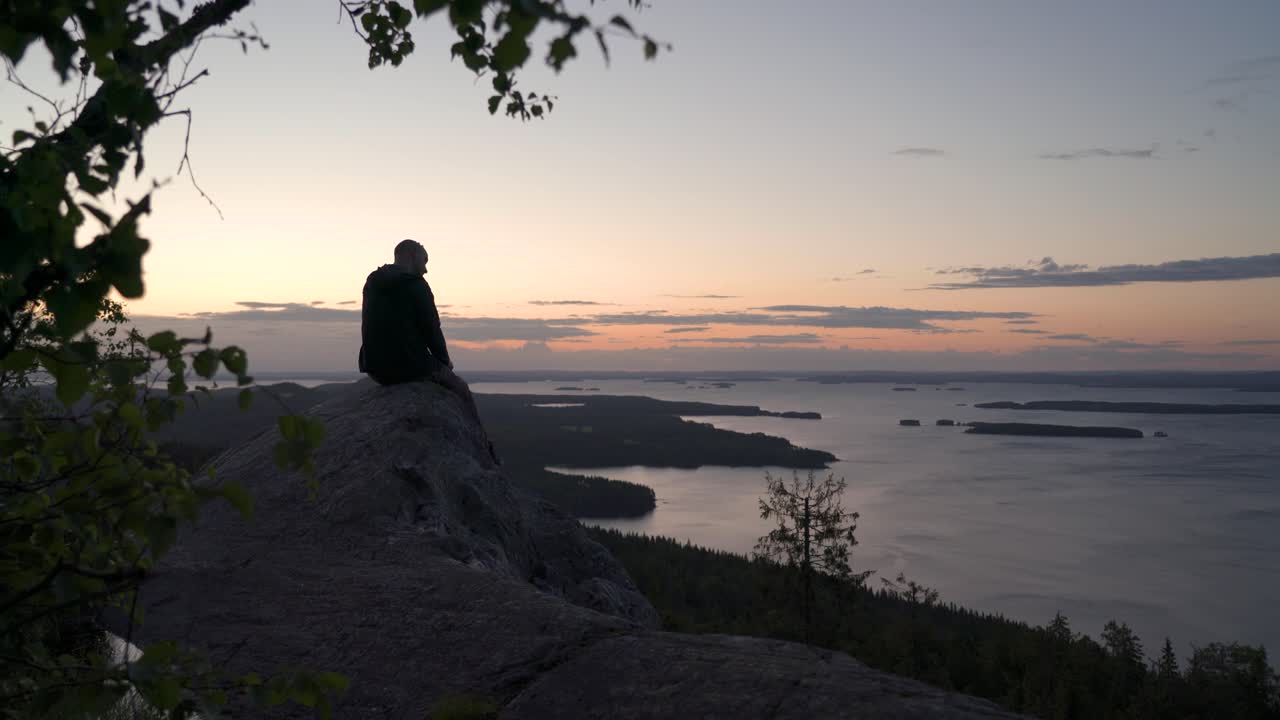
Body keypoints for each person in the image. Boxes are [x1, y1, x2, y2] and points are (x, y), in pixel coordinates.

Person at [358, 239, 497, 462]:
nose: (426, 268)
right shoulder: (416, 284)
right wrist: (444, 362)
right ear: (412, 256)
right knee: (461, 389)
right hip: (409, 365)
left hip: (375, 367)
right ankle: (484, 448)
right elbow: (431, 328)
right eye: (424, 260)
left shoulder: (373, 281)